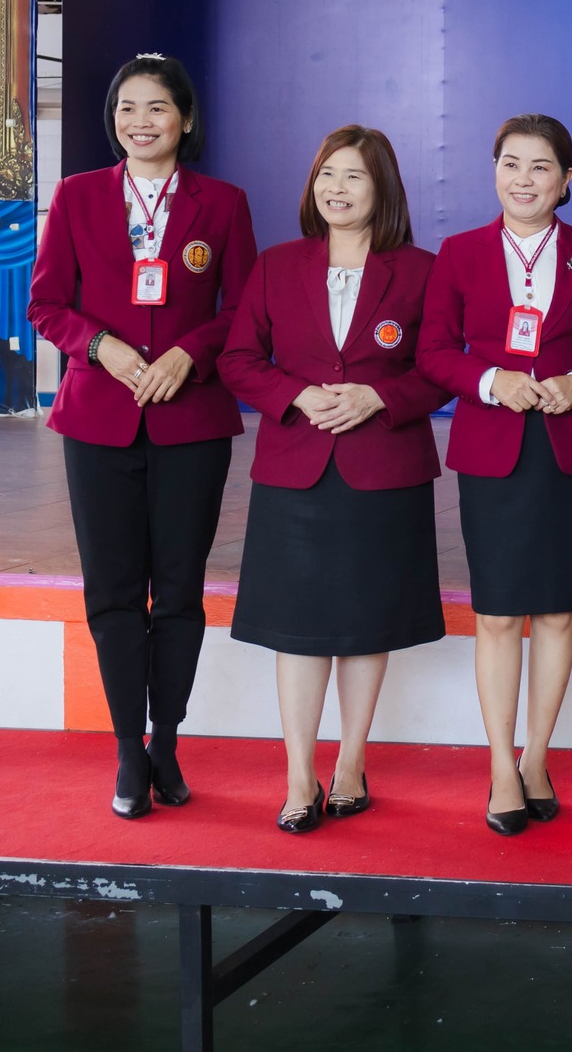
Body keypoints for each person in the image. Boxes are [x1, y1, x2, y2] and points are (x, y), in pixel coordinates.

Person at [28, 54, 257, 819]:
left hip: (191, 419)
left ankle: (168, 740)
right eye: (128, 107)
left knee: (180, 591)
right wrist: (103, 348)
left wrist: (191, 352)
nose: (141, 121)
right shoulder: (78, 196)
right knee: (115, 590)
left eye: (157, 107)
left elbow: (246, 308)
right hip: (98, 417)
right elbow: (47, 303)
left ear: (185, 120)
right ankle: (129, 746)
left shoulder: (223, 203)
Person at [220, 125, 448, 833]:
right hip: (297, 466)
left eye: (352, 177)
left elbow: (438, 364)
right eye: (326, 175)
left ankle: (350, 763)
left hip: (383, 467)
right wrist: (294, 394)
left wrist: (381, 397)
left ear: (382, 188)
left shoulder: (420, 269)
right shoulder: (277, 264)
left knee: (365, 622)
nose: (336, 190)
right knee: (298, 628)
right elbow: (238, 358)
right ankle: (299, 775)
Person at [418, 114, 572, 835]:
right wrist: (490, 379)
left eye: (540, 166)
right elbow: (433, 351)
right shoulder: (460, 252)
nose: (523, 179)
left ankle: (537, 757)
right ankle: (501, 762)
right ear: (493, 171)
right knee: (499, 613)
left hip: (569, 447)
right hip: (493, 444)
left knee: (558, 611)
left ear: (566, 179)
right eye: (510, 163)